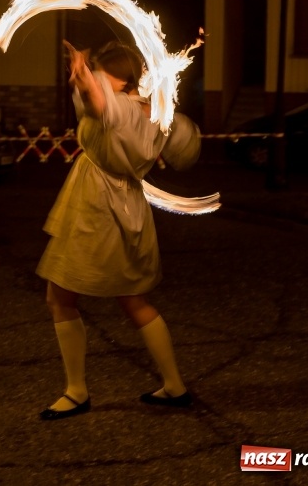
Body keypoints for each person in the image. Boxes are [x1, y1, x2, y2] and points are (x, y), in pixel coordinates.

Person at [36, 40, 202, 420]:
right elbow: (185, 151)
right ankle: (174, 386)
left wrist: (82, 80)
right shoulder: (154, 112)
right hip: (130, 206)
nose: (91, 74)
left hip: (96, 208)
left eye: (96, 69)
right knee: (133, 299)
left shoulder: (119, 107)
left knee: (60, 297)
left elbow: (100, 106)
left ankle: (76, 391)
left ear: (110, 74)